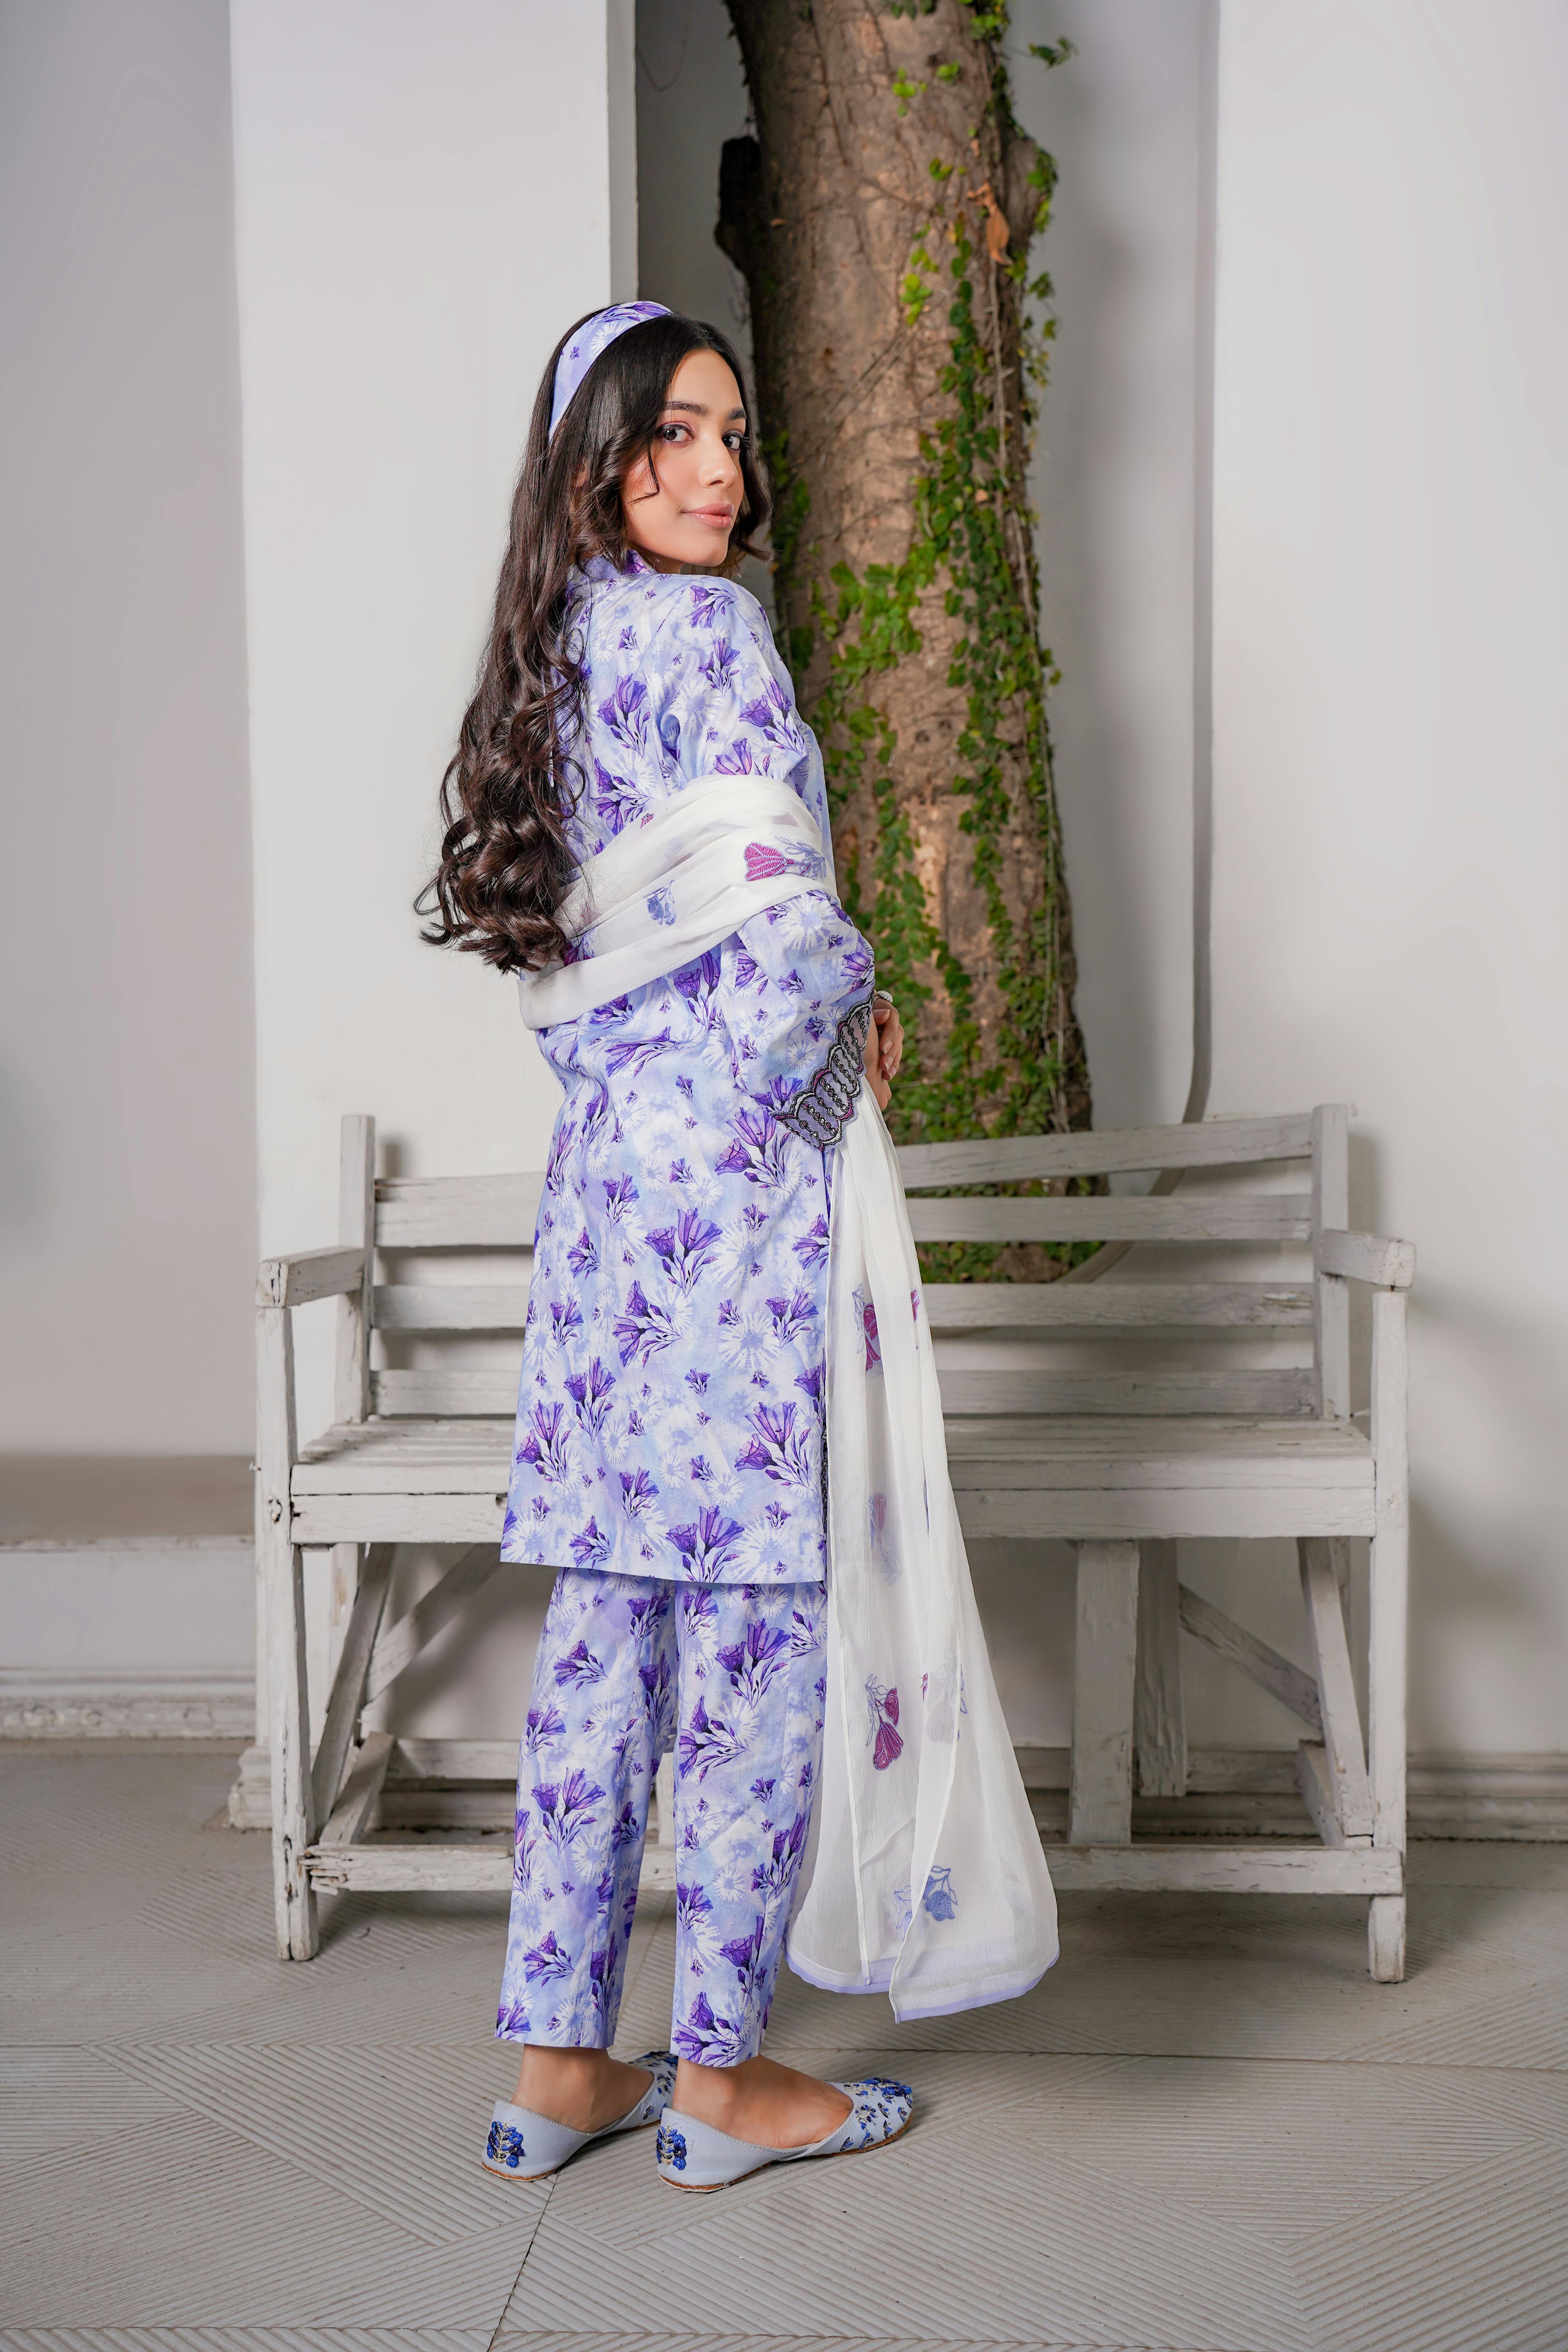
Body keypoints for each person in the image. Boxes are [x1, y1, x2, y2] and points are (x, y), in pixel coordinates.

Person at [423, 303, 1055, 2194]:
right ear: (594, 458)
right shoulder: (708, 630)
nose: (715, 469)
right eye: (670, 434)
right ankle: (717, 2077)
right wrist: (853, 1021)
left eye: (728, 434)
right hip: (739, 1190)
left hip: (608, 1192)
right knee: (759, 1628)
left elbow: (575, 954)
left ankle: (555, 2068)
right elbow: (782, 937)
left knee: (601, 1636)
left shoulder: (553, 656)